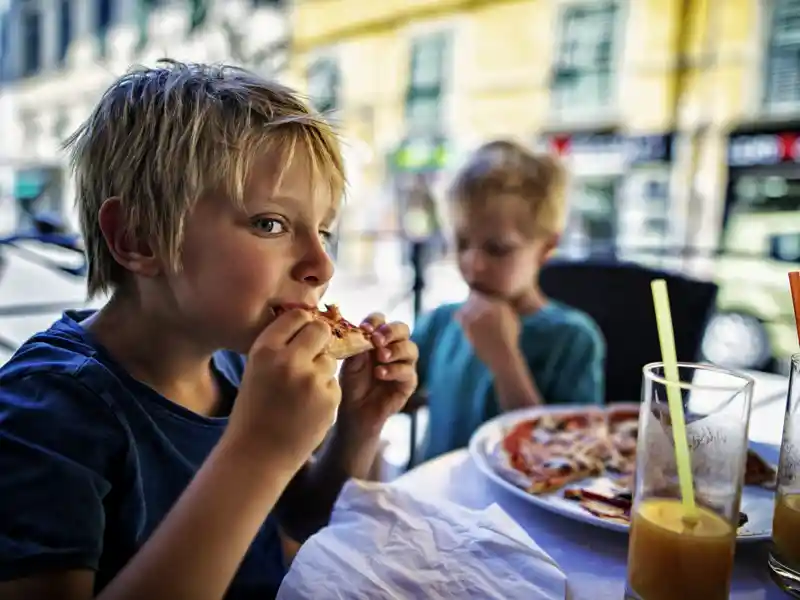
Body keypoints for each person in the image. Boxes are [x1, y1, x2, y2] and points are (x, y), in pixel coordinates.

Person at [0, 60, 418, 600]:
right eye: (271, 223)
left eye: (323, 230)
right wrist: (258, 450)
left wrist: (356, 428)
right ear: (139, 238)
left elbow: (299, 519)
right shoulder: (44, 415)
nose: (322, 264)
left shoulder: (236, 361)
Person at [412, 140, 605, 464]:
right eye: (461, 243)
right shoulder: (441, 322)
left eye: (497, 249)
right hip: (432, 498)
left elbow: (566, 456)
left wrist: (505, 360)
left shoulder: (573, 339)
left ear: (546, 247)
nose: (473, 263)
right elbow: (397, 398)